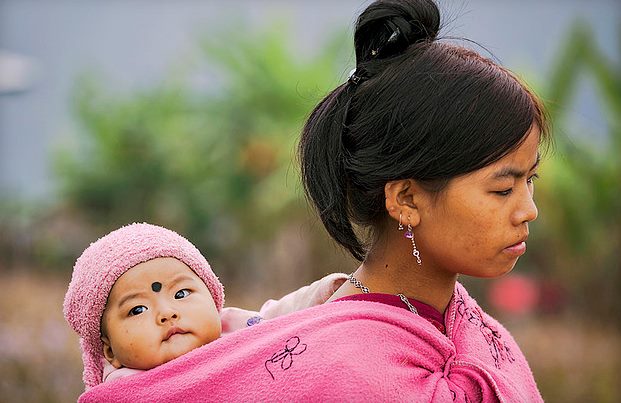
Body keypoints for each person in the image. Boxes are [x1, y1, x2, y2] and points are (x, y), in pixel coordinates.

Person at [76, 0, 550, 401]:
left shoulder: (479, 335)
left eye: (530, 181)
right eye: (502, 189)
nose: (528, 209)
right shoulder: (341, 371)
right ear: (406, 198)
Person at [63, 222, 347, 389]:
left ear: (213, 298)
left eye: (182, 293)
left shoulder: (233, 328)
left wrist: (327, 291)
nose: (167, 312)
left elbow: (281, 315)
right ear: (110, 351)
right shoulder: (126, 389)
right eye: (138, 309)